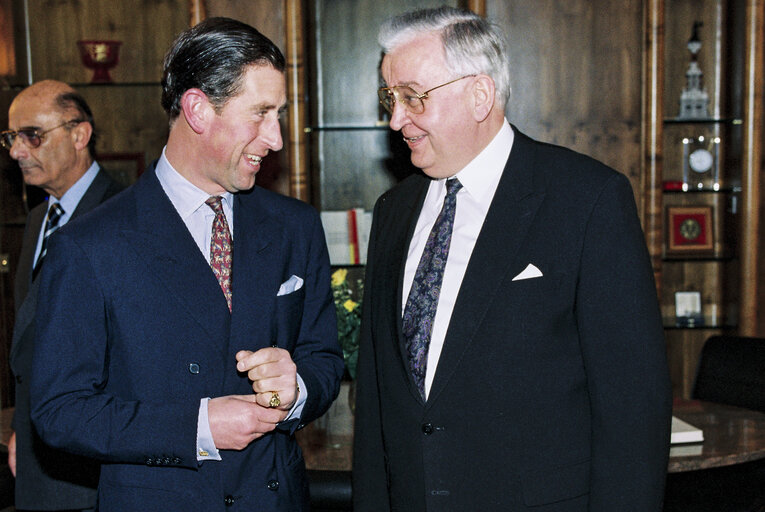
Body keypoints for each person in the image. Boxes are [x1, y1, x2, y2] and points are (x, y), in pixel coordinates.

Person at [353, 6, 672, 511]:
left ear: (479, 94)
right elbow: (374, 401)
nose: (396, 120)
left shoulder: (587, 199)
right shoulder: (393, 210)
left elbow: (633, 407)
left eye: (412, 97)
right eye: (390, 98)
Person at [29, 17, 344, 511]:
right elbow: (59, 411)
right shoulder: (90, 245)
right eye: (260, 113)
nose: (277, 138)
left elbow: (324, 358)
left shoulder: (294, 226)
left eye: (278, 114)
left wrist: (297, 387)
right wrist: (197, 428)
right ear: (198, 110)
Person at [3, 79, 124, 511]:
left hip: (90, 464)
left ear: (79, 134)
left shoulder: (124, 214)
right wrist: (22, 425)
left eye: (32, 136)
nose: (18, 151)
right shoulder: (38, 219)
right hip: (39, 454)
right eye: (11, 138)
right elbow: (31, 341)